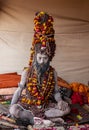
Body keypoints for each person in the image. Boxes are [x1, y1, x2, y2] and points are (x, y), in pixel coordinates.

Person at [9, 11, 70, 125]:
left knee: (66, 109)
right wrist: (12, 105)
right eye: (40, 58)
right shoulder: (27, 72)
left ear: (50, 58)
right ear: (34, 57)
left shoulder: (53, 73)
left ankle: (40, 119)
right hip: (29, 104)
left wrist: (60, 101)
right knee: (14, 110)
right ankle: (37, 119)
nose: (42, 62)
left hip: (46, 105)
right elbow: (19, 90)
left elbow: (56, 91)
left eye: (45, 59)